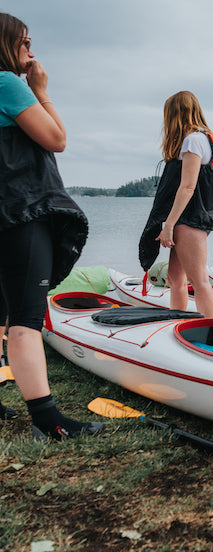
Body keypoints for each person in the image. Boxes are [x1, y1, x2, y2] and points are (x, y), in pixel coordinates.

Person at [0, 13, 103, 438]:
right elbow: (56, 138)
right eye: (25, 43)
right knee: (26, 319)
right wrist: (41, 91)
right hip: (21, 211)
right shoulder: (8, 83)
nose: (32, 52)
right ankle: (49, 422)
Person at [138, 91, 213, 318]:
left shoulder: (193, 140)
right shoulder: (209, 138)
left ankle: (210, 327)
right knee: (176, 279)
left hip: (189, 219)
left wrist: (169, 225)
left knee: (199, 280)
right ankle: (177, 321)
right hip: (193, 217)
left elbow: (187, 186)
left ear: (175, 115)